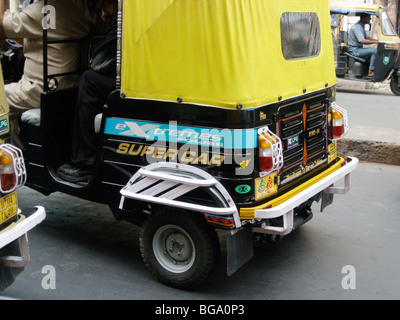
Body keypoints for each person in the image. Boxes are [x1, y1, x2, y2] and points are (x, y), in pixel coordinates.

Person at [0, 0, 103, 146]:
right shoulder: (81, 10)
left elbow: (0, 23)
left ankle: (9, 162)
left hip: (39, 88)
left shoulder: (44, 10)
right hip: (71, 86)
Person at [57, 0, 118, 183]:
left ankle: (84, 160)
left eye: (106, 6)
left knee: (88, 79)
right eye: (100, 10)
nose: (104, 15)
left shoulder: (123, 19)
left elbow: (98, 62)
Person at [347, 13, 378, 77]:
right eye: (368, 17)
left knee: (373, 51)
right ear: (363, 18)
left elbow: (366, 37)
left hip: (357, 48)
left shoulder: (361, 26)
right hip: (354, 50)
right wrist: (374, 43)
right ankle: (371, 71)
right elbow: (362, 41)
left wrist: (377, 40)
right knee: (375, 51)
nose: (370, 19)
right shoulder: (357, 27)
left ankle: (368, 70)